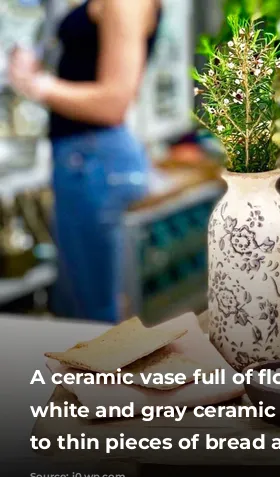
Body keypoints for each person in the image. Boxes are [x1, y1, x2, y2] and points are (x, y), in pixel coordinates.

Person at [8, 0, 163, 323]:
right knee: (82, 304)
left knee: (91, 314)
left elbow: (114, 102)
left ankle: (107, 373)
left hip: (93, 160)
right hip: (87, 159)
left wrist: (38, 86)